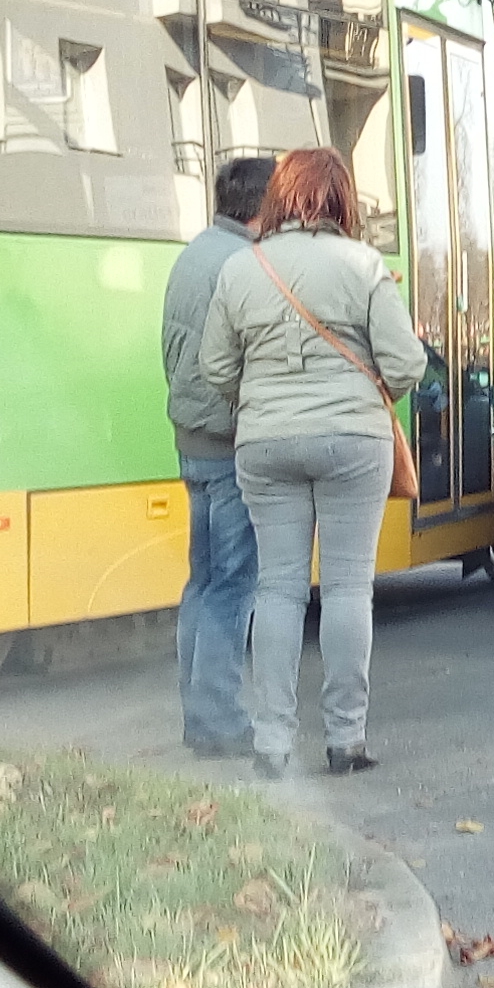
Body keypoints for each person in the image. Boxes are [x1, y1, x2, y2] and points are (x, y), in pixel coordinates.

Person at [169, 146, 427, 777]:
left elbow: (215, 368)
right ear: (342, 199)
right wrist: (362, 394)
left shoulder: (243, 267)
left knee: (277, 589)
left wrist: (264, 401)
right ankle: (345, 741)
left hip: (263, 444)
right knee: (345, 587)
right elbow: (407, 363)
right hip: (351, 442)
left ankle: (273, 744)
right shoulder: (365, 265)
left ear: (279, 196)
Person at [160, 153, 279, 756]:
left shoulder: (194, 253)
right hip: (230, 443)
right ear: (264, 206)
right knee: (234, 586)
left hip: (191, 442)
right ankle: (222, 724)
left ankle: (197, 715)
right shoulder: (243, 265)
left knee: (203, 582)